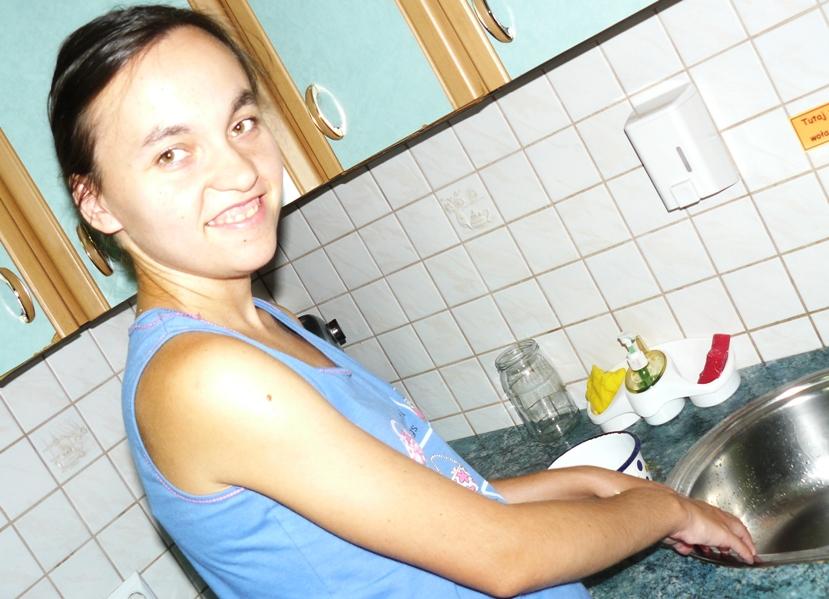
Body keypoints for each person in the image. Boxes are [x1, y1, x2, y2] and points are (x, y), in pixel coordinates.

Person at [48, 5, 756, 598]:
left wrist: (578, 481)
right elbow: (501, 554)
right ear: (96, 201)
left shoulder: (264, 324)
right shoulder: (204, 378)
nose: (239, 169)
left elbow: (423, 505)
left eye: (240, 123)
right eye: (171, 153)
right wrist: (660, 507)